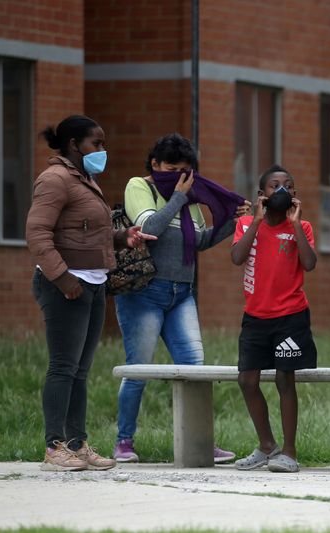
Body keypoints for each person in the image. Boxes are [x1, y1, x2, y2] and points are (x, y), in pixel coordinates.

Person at [26, 115, 155, 471]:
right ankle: (54, 448)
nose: (102, 150)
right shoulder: (54, 180)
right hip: (67, 285)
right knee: (63, 367)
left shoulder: (84, 179)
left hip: (95, 282)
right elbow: (38, 234)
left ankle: (77, 443)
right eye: (95, 144)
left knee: (80, 370)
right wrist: (65, 281)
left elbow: (81, 230)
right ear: (73, 145)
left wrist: (120, 237)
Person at [113, 133, 250, 464]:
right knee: (139, 368)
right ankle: (124, 441)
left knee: (195, 369)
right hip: (144, 293)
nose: (178, 176)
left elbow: (200, 241)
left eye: (184, 171)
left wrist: (231, 223)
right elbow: (151, 229)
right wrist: (177, 197)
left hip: (181, 294)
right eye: (171, 168)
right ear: (155, 164)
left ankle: (200, 441)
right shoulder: (140, 187)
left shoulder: (188, 201)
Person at [230, 164, 317, 473]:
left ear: (295, 195)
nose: (281, 190)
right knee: (247, 379)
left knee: (284, 378)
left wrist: (294, 225)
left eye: (288, 186)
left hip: (290, 316)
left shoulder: (302, 227)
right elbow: (237, 257)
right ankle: (267, 445)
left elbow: (309, 264)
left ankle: (289, 452)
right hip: (255, 316)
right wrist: (255, 219)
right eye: (274, 186)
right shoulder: (245, 223)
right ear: (260, 196)